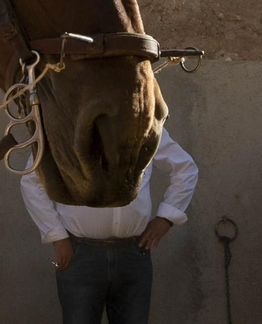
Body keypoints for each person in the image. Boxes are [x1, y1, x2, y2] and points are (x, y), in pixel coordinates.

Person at [19, 130, 199, 324]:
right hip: (80, 255)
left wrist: (166, 217)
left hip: (133, 255)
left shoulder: (144, 125)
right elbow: (32, 180)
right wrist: (57, 236)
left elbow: (185, 169)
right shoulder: (65, 124)